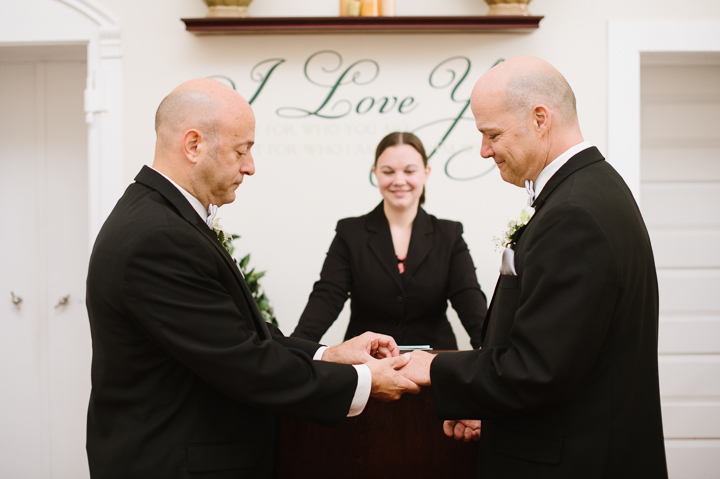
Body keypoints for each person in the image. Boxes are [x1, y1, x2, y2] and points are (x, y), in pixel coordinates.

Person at [85, 79, 420, 479]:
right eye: (241, 150)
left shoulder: (162, 217)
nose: (250, 166)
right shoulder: (157, 236)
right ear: (193, 145)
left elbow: (238, 333)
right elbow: (241, 362)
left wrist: (329, 354)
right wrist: (362, 380)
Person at [401, 56, 668, 478]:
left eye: (492, 134)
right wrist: (483, 404)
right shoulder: (593, 189)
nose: (485, 150)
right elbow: (567, 357)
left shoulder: (573, 213)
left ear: (540, 118)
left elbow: (538, 370)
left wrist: (433, 366)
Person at [291, 132, 487, 350]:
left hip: (434, 365)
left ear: (426, 173)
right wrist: (294, 352)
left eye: (410, 171)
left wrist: (492, 353)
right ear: (375, 173)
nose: (399, 180)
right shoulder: (350, 233)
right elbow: (327, 297)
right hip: (367, 365)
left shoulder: (449, 235)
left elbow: (469, 301)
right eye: (388, 171)